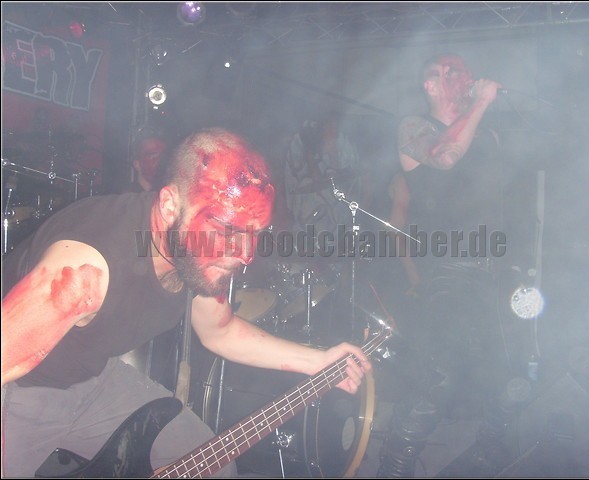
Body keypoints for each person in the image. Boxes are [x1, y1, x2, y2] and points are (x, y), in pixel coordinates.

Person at [0, 127, 371, 478]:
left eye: (255, 233)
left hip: (96, 377)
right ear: (169, 205)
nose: (245, 254)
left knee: (213, 465)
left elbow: (219, 331)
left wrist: (319, 360)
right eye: (228, 229)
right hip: (25, 389)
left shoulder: (193, 254)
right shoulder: (86, 269)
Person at [376, 54, 516, 477]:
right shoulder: (414, 127)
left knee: (501, 373)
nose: (461, 78)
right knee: (439, 375)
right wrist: (481, 103)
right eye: (449, 73)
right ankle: (394, 469)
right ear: (431, 85)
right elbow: (446, 156)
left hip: (489, 266)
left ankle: (488, 457)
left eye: (462, 71)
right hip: (450, 266)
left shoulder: (485, 133)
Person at [121, 127, 170, 193]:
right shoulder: (128, 195)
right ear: (137, 164)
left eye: (163, 155)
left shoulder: (168, 193)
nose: (159, 160)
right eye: (152, 155)